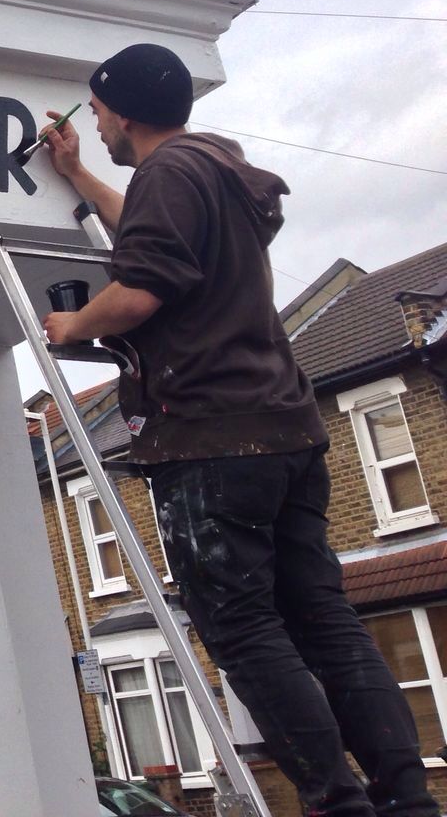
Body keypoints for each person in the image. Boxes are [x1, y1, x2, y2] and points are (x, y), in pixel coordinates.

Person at [39, 42, 439, 817]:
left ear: (124, 112)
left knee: (242, 628)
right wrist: (81, 176)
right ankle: (408, 800)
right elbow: (162, 243)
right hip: (283, 428)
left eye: (98, 111)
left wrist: (74, 324)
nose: (95, 121)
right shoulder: (216, 168)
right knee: (324, 620)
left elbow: (141, 289)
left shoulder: (165, 175)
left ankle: (338, 803)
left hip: (210, 436)